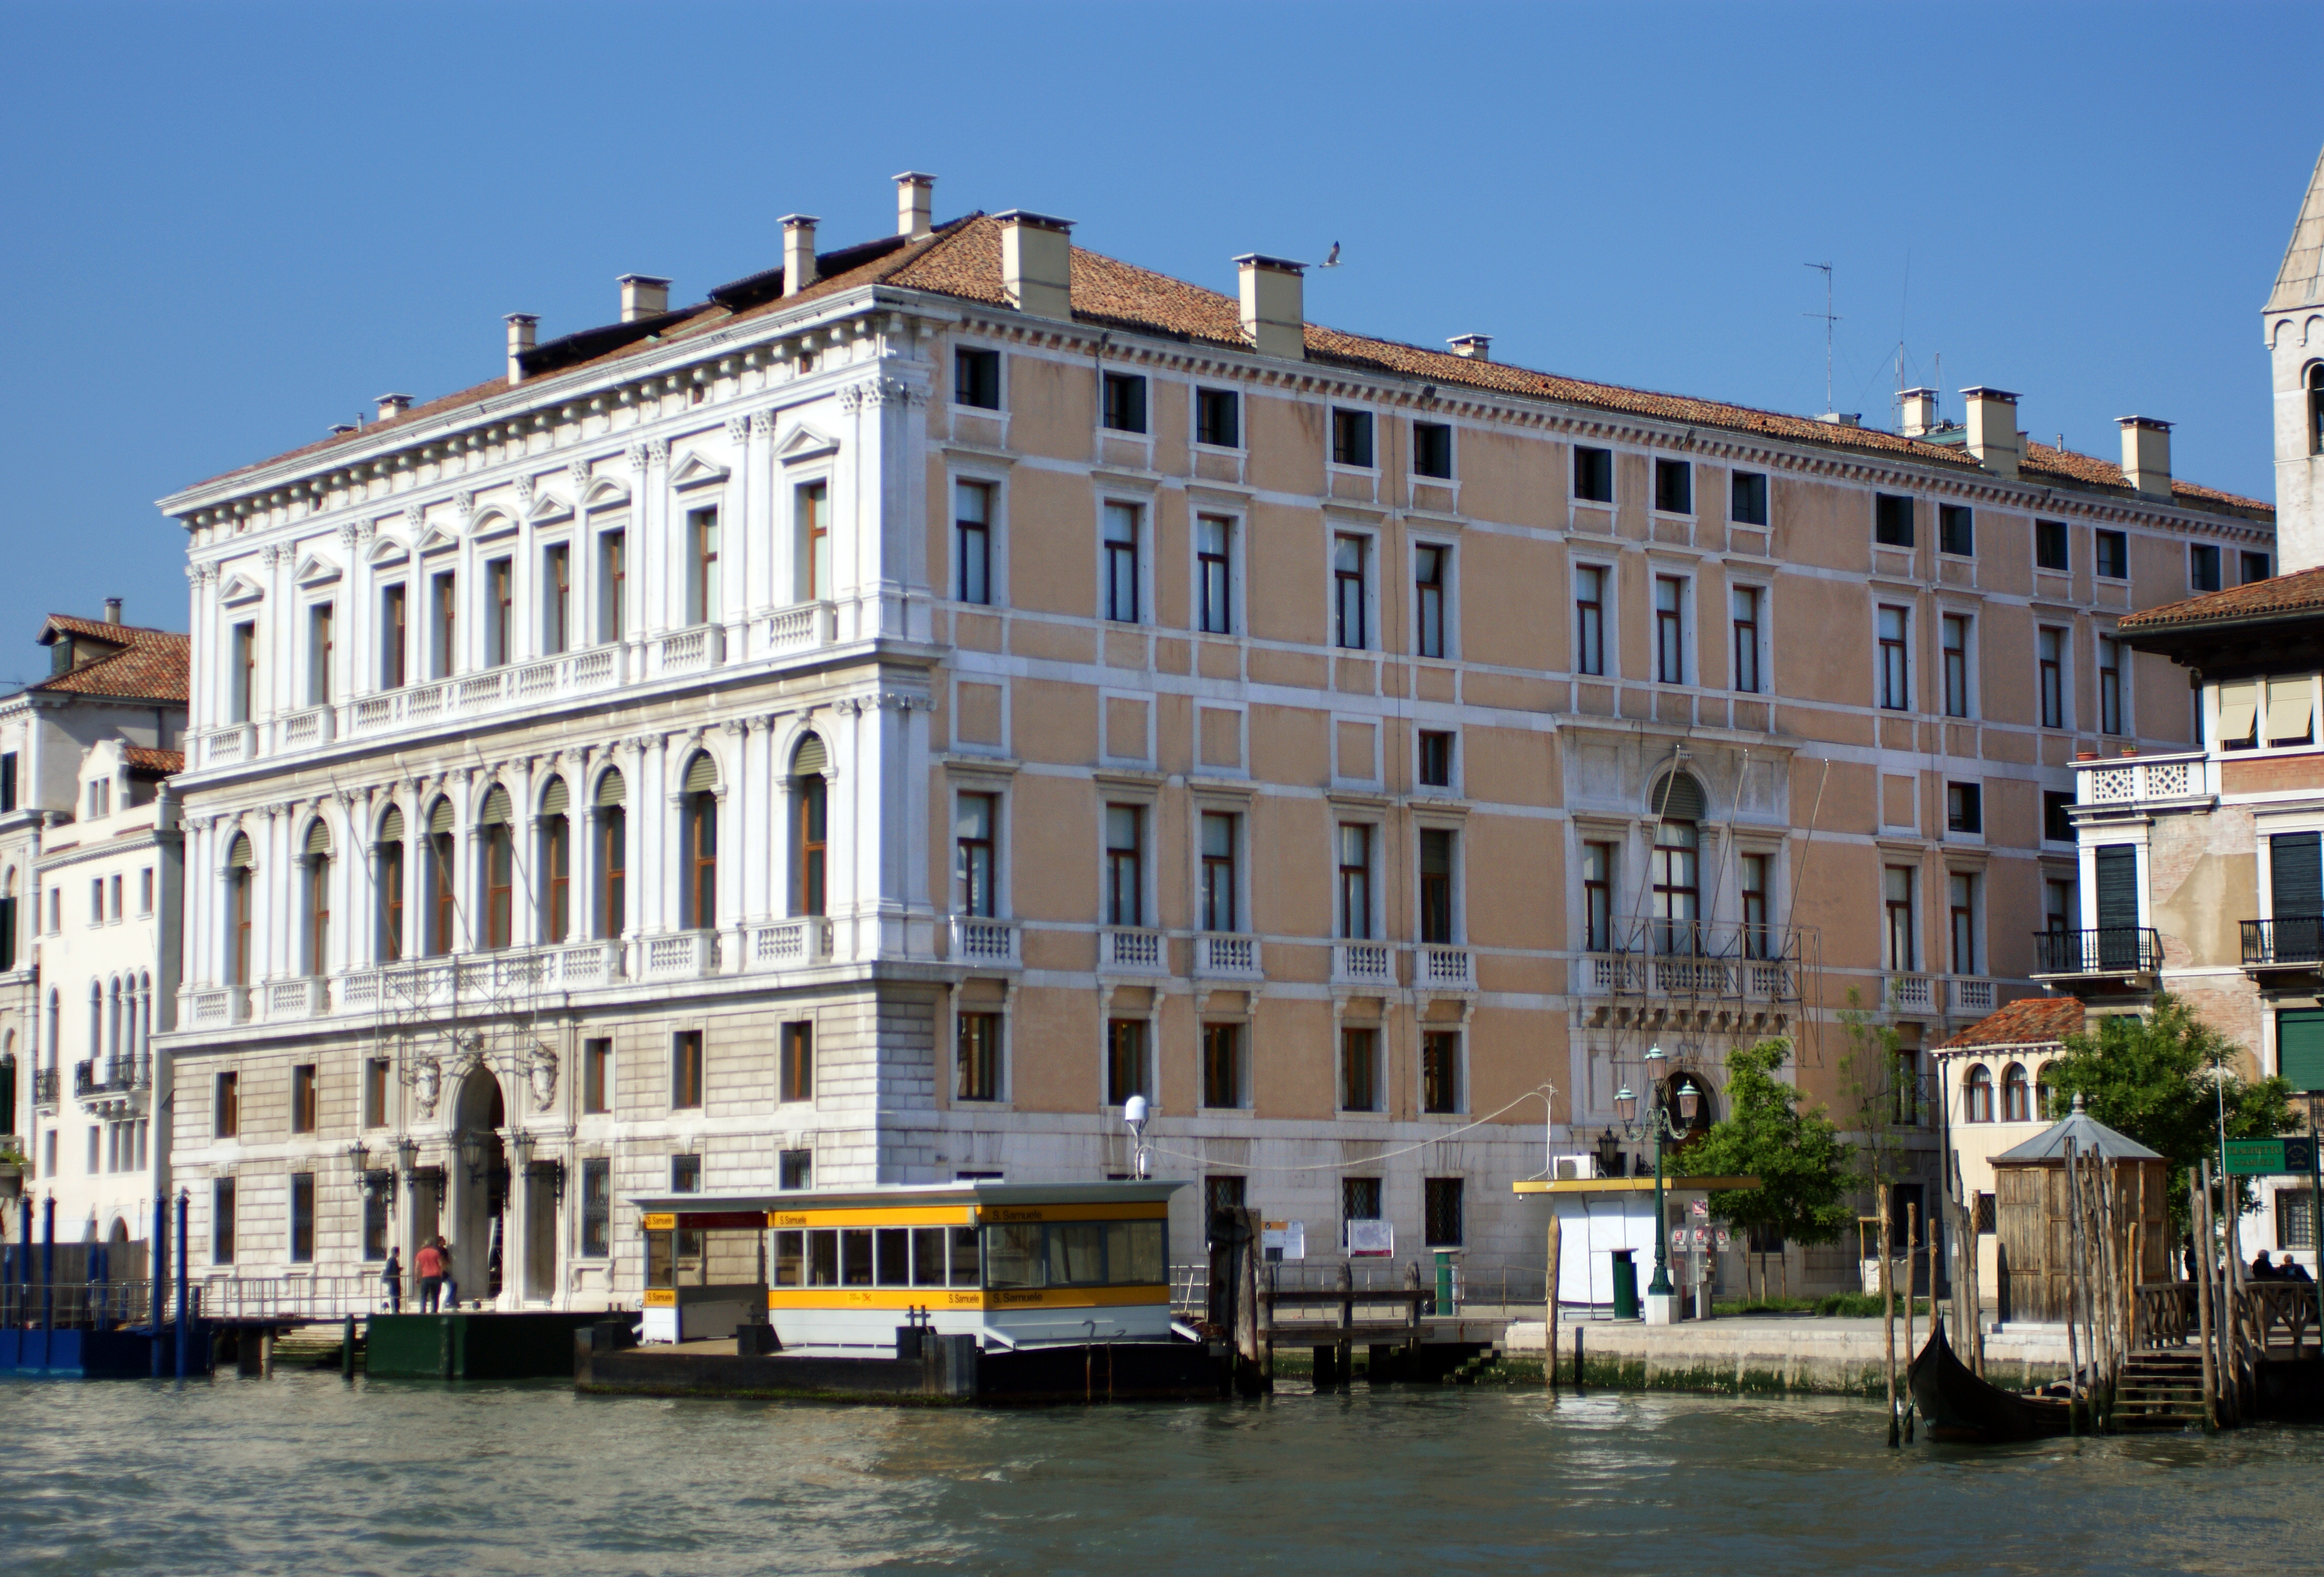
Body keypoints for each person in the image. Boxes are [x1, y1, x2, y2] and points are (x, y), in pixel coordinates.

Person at [415, 1237, 445, 1313]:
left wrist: (417, 1278)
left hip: (426, 1277)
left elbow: (417, 1268)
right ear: (432, 1245)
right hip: (436, 1276)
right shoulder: (436, 1252)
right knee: (435, 1296)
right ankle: (434, 1312)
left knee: (423, 1296)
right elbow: (441, 1265)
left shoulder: (420, 1254)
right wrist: (441, 1274)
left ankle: (422, 1311)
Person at [381, 1246, 404, 1314]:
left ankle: (395, 1310)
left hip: (392, 1282)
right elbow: (393, 1271)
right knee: (395, 1296)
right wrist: (399, 1269)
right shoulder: (393, 1260)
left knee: (394, 1296)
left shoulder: (391, 1260)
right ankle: (395, 1311)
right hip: (394, 1282)